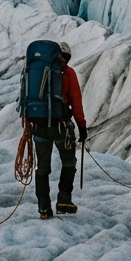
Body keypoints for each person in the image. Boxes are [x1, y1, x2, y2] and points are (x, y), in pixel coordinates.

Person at [30, 41, 87, 217]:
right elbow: (76, 102)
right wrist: (82, 126)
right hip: (61, 126)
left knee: (42, 168)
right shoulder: (68, 73)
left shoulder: (36, 72)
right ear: (67, 57)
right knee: (69, 162)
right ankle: (64, 200)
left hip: (39, 126)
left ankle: (44, 208)